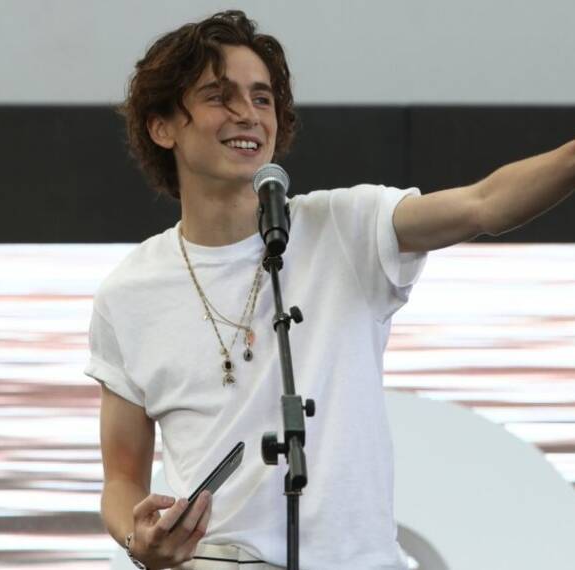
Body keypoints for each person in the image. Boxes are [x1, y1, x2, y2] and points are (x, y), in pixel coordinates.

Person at [83, 10, 574, 570]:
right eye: (219, 96)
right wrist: (138, 539)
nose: (248, 114)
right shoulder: (129, 293)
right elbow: (121, 479)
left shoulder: (345, 226)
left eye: (262, 98)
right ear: (162, 127)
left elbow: (484, 204)